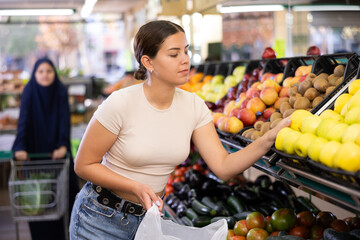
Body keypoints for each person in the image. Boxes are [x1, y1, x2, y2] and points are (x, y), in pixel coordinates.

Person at [69, 20, 290, 240]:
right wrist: (135, 186)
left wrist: (268, 139)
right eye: (174, 54)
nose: (185, 60)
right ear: (149, 62)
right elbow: (84, 165)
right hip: (100, 218)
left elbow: (223, 166)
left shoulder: (193, 106)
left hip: (148, 220)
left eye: (186, 51)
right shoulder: (120, 103)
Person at [12, 58, 79, 240]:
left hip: (57, 156)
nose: (45, 75)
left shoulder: (59, 91)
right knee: (37, 204)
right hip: (33, 155)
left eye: (49, 71)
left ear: (54, 73)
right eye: (40, 72)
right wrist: (20, 146)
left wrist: (63, 145)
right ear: (34, 74)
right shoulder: (29, 91)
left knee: (58, 203)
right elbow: (23, 122)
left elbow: (64, 121)